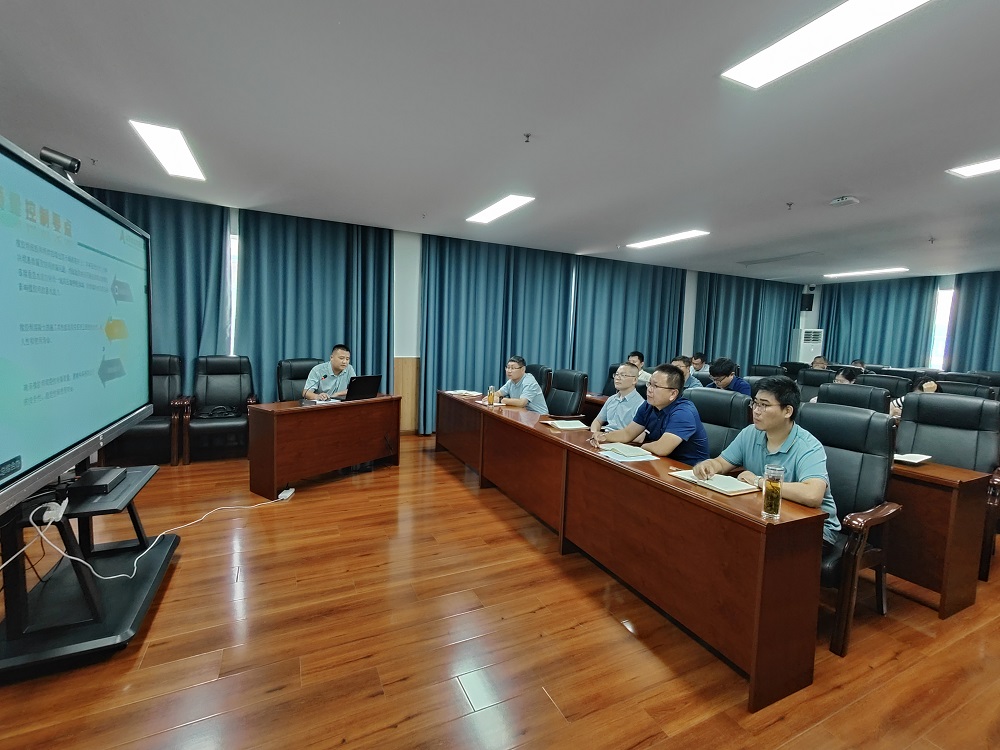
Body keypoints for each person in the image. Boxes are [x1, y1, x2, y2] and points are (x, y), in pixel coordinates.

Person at [692, 375, 841, 545]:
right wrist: (708, 465)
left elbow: (812, 495)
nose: (756, 410)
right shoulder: (750, 433)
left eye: (764, 405)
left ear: (787, 411)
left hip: (813, 529)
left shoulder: (808, 446)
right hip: (766, 519)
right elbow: (721, 463)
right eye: (755, 403)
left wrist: (759, 481)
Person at [592, 364, 709, 463]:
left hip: (689, 470)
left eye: (655, 386)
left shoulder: (684, 412)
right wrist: (603, 436)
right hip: (660, 461)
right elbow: (627, 434)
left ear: (673, 393)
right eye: (649, 384)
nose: (649, 389)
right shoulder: (648, 405)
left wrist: (642, 447)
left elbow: (662, 448)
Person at [591, 362, 644, 434]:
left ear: (634, 380)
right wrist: (595, 433)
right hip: (605, 437)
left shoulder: (641, 405)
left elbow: (639, 436)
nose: (617, 378)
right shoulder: (611, 399)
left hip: (622, 439)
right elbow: (597, 421)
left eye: (623, 375)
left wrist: (607, 437)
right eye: (616, 374)